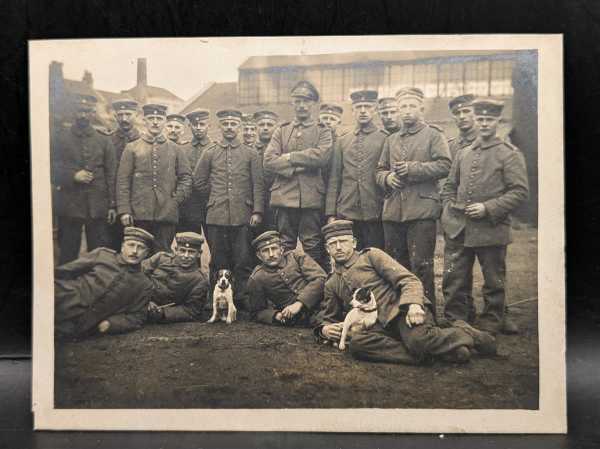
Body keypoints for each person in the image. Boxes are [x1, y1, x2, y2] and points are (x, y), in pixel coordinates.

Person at [313, 220, 497, 364]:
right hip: (377, 328)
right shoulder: (332, 282)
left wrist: (414, 305)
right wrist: (324, 329)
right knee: (357, 345)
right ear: (327, 248)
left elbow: (408, 279)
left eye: (343, 242)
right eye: (332, 243)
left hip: (403, 312)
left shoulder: (371, 256)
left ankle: (463, 333)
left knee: (417, 341)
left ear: (353, 242)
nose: (338, 247)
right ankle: (436, 352)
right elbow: (328, 315)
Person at [441, 99, 529, 335]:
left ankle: (492, 320)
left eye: (489, 120)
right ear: (475, 121)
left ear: (498, 122)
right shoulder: (464, 153)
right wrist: (450, 209)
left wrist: (488, 208)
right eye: (481, 119)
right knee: (455, 278)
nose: (484, 124)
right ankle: (456, 319)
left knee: (493, 280)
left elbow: (520, 192)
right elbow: (450, 186)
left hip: (491, 227)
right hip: (459, 227)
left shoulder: (509, 154)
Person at [375, 87, 451, 318]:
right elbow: (379, 171)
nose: (406, 112)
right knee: (396, 266)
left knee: (422, 266)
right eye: (402, 107)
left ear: (421, 108)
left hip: (421, 210)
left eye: (411, 106)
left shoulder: (433, 136)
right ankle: (398, 314)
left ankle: (426, 315)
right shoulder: (391, 139)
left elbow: (445, 165)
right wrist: (387, 178)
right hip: (393, 211)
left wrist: (412, 169)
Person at [194, 109, 264, 308]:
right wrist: (215, 197)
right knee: (217, 260)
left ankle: (242, 299)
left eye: (233, 123)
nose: (230, 127)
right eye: (225, 124)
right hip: (216, 215)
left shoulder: (250, 153)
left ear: (239, 126)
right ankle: (214, 300)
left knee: (243, 259)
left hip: (243, 215)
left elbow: (257, 184)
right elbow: (198, 181)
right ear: (219, 127)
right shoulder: (210, 152)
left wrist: (257, 211)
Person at [263, 80, 333, 270]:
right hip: (284, 197)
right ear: (292, 103)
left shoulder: (322, 130)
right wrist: (301, 165)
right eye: (298, 101)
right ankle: (286, 285)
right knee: (285, 244)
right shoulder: (282, 129)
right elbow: (269, 160)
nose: (302, 105)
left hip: (311, 198)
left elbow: (322, 157)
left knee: (312, 244)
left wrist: (290, 157)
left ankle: (317, 286)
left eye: (306, 101)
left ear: (313, 104)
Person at [54, 227, 155, 340]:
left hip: (81, 323)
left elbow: (137, 317)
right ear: (122, 246)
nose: (134, 251)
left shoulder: (144, 284)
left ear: (146, 253)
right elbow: (64, 271)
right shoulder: (103, 255)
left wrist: (111, 324)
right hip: (62, 297)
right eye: (131, 245)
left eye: (141, 248)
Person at [51, 93, 117, 265]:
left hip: (98, 206)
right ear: (73, 112)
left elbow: (111, 174)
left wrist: (111, 205)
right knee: (67, 252)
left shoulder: (104, 140)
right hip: (69, 205)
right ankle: (67, 286)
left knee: (99, 252)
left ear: (93, 113)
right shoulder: (60, 138)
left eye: (87, 111)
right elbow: (49, 168)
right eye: (79, 111)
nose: (83, 115)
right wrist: (72, 175)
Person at [116, 103, 192, 253]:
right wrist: (124, 210)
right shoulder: (132, 148)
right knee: (138, 254)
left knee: (162, 255)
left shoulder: (175, 149)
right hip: (139, 213)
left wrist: (175, 201)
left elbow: (186, 178)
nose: (155, 122)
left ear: (164, 121)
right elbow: (123, 181)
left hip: (166, 213)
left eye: (159, 118)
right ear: (144, 120)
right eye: (151, 118)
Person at [325, 89, 386, 250]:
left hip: (376, 210)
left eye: (367, 106)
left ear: (375, 109)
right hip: (347, 210)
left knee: (376, 255)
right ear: (352, 110)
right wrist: (331, 213)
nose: (363, 111)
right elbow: (334, 178)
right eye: (359, 107)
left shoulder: (384, 139)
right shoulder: (343, 140)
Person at [247, 231, 326, 326]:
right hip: (301, 318)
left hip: (325, 303)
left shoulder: (296, 257)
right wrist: (276, 315)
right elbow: (257, 312)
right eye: (265, 250)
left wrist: (299, 303)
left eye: (274, 248)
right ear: (259, 255)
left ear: (281, 249)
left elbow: (321, 278)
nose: (271, 254)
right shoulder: (257, 278)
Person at [142, 232, 209, 323]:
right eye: (182, 250)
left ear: (199, 254)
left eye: (191, 252)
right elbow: (138, 273)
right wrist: (145, 300)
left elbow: (191, 310)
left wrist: (163, 313)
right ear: (176, 250)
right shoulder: (161, 258)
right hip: (139, 300)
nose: (186, 256)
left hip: (156, 312)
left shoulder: (199, 280)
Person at [103, 99, 141, 250]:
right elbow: (107, 174)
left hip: (139, 204)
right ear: (115, 116)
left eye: (128, 114)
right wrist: (112, 205)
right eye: (120, 115)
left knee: (138, 246)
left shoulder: (144, 140)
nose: (124, 118)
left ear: (137, 115)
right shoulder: (107, 140)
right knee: (113, 246)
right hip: (114, 204)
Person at [178, 108, 213, 235]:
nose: (198, 128)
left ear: (209, 125)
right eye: (194, 124)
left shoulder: (216, 148)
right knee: (189, 245)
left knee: (215, 246)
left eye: (202, 124)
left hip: (209, 204)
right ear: (189, 126)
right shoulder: (182, 148)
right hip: (188, 206)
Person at [253, 110, 279, 233]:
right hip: (253, 205)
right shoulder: (248, 150)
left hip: (277, 204)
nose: (265, 128)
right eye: (261, 125)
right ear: (256, 127)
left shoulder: (282, 149)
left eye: (269, 125)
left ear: (276, 127)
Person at [447, 94, 478, 160]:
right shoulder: (449, 146)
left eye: (466, 111)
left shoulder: (489, 143)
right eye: (457, 113)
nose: (461, 116)